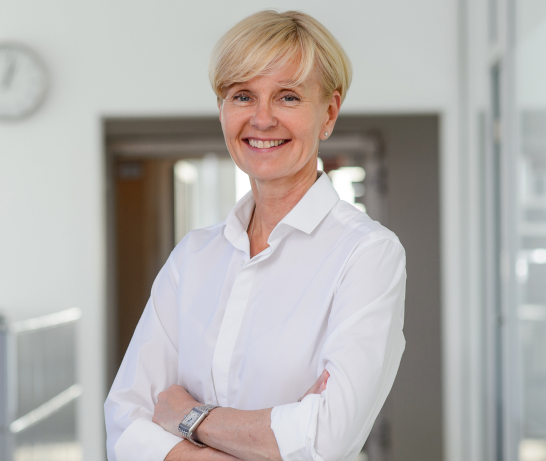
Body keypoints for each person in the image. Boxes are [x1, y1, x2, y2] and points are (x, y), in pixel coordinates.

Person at [105, 10, 406, 461]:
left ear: (328, 113)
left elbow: (327, 438)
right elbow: (124, 426)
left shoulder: (365, 253)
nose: (261, 120)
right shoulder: (194, 257)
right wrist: (271, 435)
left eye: (287, 97)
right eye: (242, 96)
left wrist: (187, 418)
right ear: (223, 110)